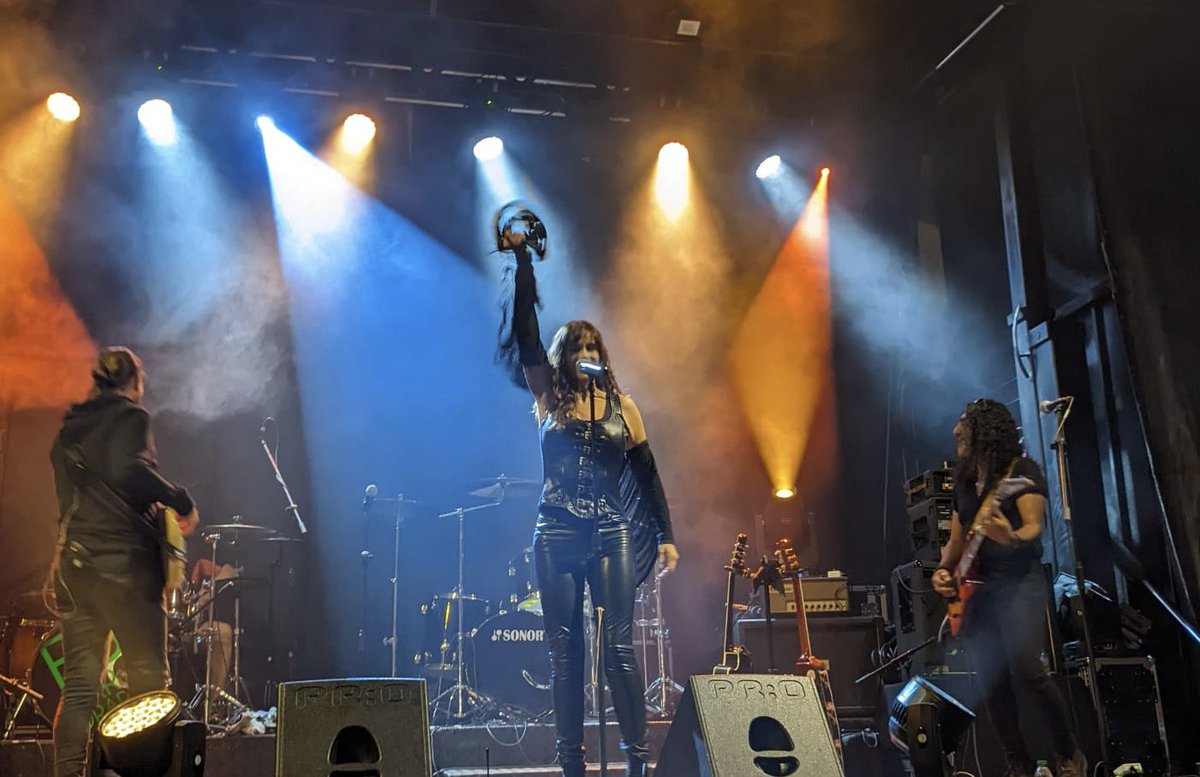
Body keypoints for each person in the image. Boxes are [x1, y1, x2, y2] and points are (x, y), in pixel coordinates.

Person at [498, 220, 679, 777]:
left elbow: (647, 474)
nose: (585, 352)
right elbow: (526, 334)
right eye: (576, 346)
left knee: (619, 648)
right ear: (563, 355)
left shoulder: (624, 407)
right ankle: (571, 766)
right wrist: (524, 262)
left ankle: (636, 764)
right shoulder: (547, 397)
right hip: (555, 531)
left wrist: (667, 536)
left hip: (610, 531)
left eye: (592, 345)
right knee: (565, 653)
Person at [48, 347, 198, 777]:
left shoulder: (69, 429)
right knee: (148, 679)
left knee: (79, 688)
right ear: (135, 381)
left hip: (76, 569)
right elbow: (127, 469)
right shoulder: (133, 417)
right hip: (127, 571)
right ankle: (145, 772)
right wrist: (179, 498)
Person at [931, 399, 1085, 777]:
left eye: (962, 424)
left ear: (984, 431)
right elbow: (954, 543)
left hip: (1019, 582)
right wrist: (942, 571)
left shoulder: (1022, 471)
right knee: (992, 683)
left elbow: (1034, 528)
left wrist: (1010, 535)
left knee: (1027, 670)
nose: (955, 432)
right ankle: (1019, 764)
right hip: (979, 591)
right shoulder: (965, 482)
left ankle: (1068, 754)